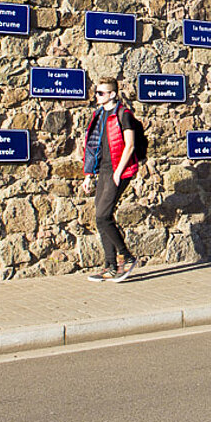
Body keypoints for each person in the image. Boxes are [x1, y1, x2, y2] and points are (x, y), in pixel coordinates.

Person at [82, 77, 140, 282]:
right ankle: (110, 266)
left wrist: (118, 171)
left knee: (103, 215)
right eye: (97, 92)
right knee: (100, 217)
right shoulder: (99, 114)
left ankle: (127, 256)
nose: (97, 96)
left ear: (113, 94)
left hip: (120, 170)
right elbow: (92, 145)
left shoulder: (124, 114)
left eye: (101, 93)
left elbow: (130, 145)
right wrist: (89, 174)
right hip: (104, 170)